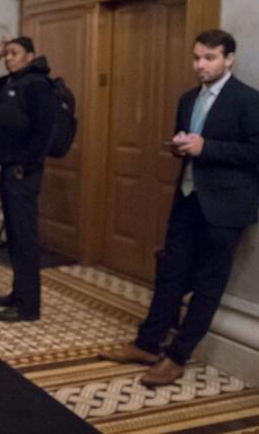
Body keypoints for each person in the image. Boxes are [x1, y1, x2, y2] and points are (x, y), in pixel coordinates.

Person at [99, 29, 259, 386]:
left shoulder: (248, 100)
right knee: (170, 274)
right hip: (187, 200)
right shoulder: (188, 99)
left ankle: (177, 356)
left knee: (207, 284)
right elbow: (190, 142)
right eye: (196, 57)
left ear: (228, 58)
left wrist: (207, 148)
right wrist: (180, 146)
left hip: (226, 209)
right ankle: (147, 343)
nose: (200, 65)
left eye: (209, 58)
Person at [0, 36, 56, 322]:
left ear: (30, 56)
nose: (9, 58)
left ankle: (29, 306)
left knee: (25, 239)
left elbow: (44, 132)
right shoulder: (12, 82)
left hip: (23, 172)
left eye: (14, 53)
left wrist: (26, 165)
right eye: (7, 53)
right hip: (9, 169)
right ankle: (19, 293)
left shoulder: (37, 85)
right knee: (15, 238)